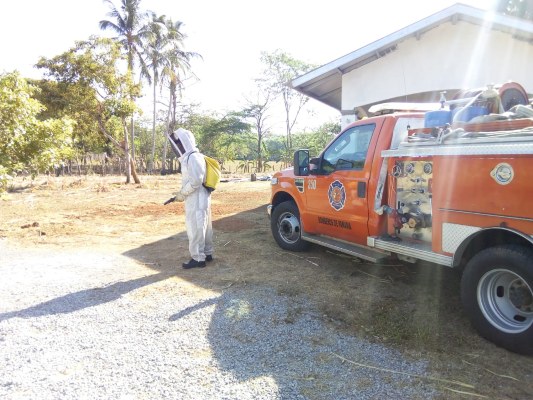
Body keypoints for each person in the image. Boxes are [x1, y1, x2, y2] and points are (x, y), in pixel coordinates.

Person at [170, 128, 214, 269]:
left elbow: (195, 181)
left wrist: (181, 194)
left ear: (186, 142)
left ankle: (198, 258)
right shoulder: (196, 156)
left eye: (180, 143)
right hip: (202, 196)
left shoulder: (192, 157)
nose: (178, 147)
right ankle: (207, 253)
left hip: (196, 198)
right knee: (205, 226)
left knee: (195, 227)